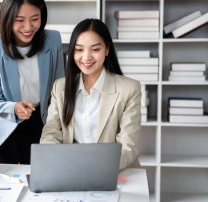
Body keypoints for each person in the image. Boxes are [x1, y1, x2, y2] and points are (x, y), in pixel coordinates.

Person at [40, 18, 141, 170]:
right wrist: (60, 163)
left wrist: (94, 168)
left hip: (114, 171)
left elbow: (128, 146)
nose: (86, 57)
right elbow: (50, 134)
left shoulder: (129, 89)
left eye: (95, 49)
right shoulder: (60, 87)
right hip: (70, 170)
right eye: (79, 50)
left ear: (107, 49)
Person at [0, 0, 65, 164]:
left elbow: (60, 89)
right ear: (7, 18)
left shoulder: (53, 40)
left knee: (42, 178)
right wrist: (13, 108)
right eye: (19, 20)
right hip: (8, 126)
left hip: (43, 120)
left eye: (35, 19)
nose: (28, 27)